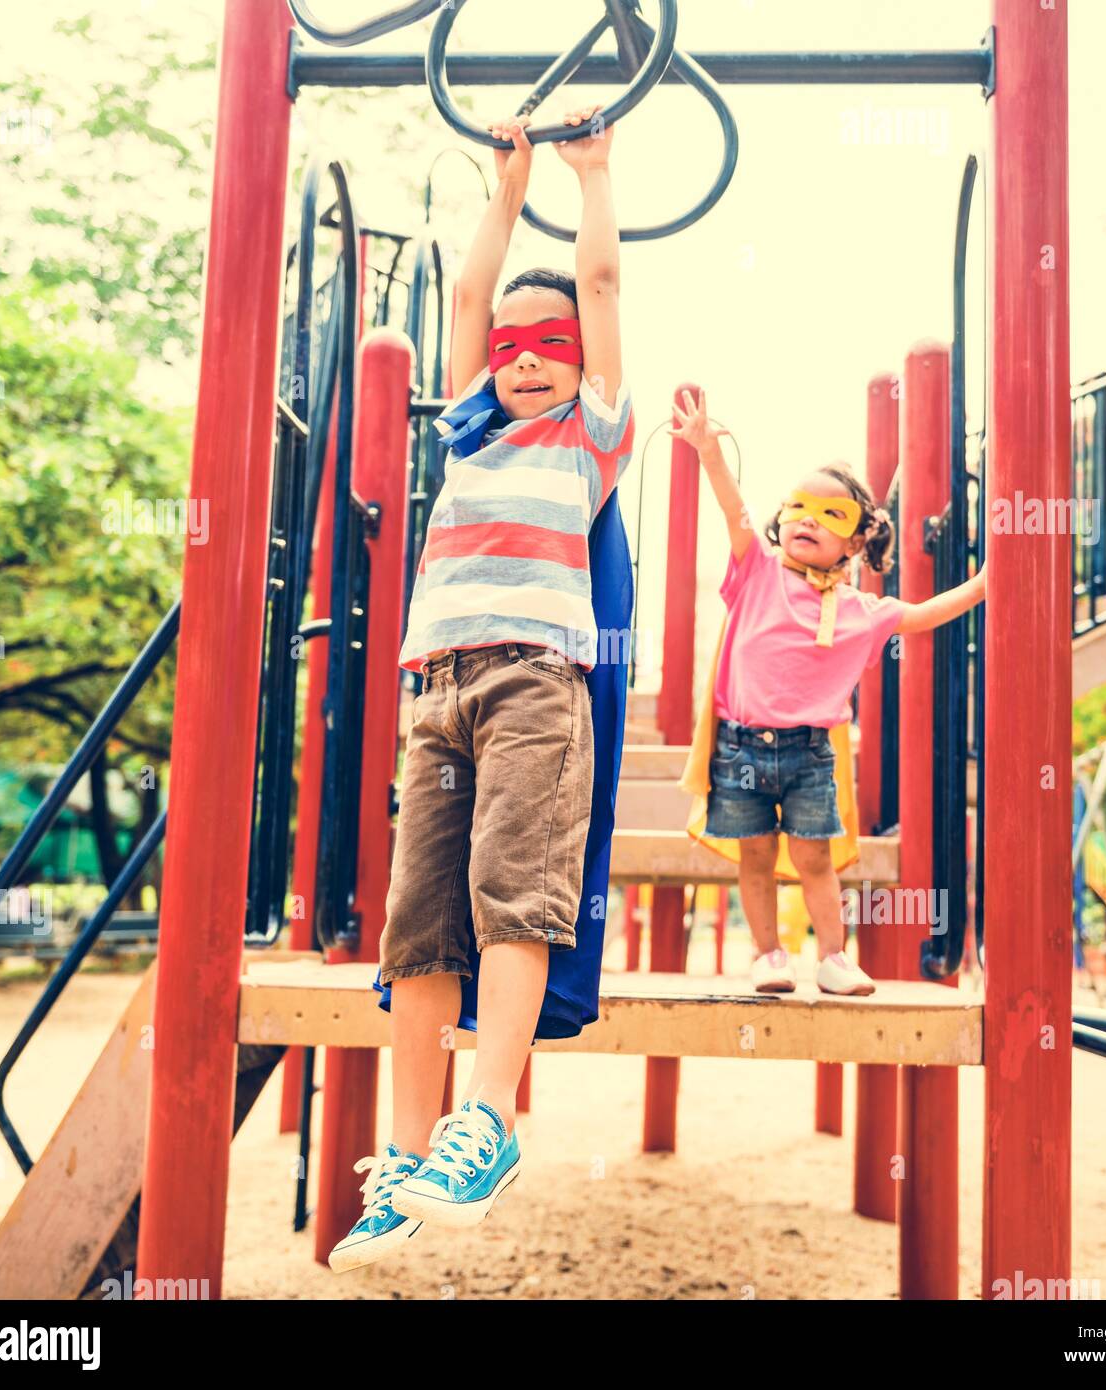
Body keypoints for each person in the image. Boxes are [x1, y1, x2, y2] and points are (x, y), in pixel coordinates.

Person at [329, 105, 635, 1272]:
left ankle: (484, 1118)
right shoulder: (465, 436)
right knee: (416, 924)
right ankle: (408, 1156)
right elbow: (469, 300)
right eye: (510, 346)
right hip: (434, 691)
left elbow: (598, 291)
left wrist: (587, 178)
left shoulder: (587, 436)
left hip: (532, 687)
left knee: (514, 891)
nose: (522, 355)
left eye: (544, 345)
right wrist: (501, 194)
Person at [672, 388, 985, 995]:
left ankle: (833, 958)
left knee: (815, 860)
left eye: (831, 514)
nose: (809, 520)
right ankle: (768, 955)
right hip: (740, 749)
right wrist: (709, 450)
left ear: (856, 542)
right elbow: (734, 510)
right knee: (755, 857)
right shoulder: (756, 571)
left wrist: (982, 585)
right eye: (799, 508)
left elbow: (921, 616)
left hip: (811, 755)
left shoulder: (860, 611)